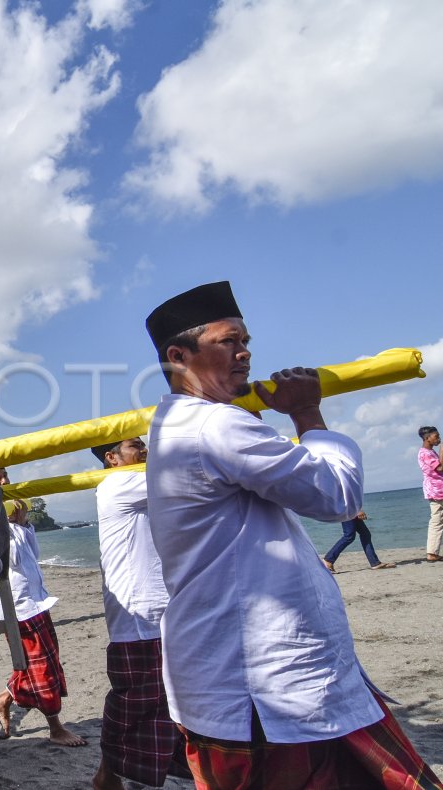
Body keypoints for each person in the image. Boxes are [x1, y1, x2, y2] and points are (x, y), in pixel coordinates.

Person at [144, 281, 439, 788]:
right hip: (268, 684)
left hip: (229, 676)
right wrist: (307, 413)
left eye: (246, 340)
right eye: (229, 341)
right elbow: (335, 498)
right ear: (179, 356)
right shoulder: (216, 427)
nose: (245, 353)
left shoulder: (175, 425)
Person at [90, 439, 188, 790]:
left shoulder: (136, 481)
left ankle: (109, 777)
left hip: (158, 613)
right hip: (141, 618)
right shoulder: (120, 483)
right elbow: (188, 474)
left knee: (158, 704)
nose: (146, 449)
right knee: (138, 705)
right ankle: (109, 778)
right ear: (111, 458)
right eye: (136, 445)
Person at [0, 468, 86, 747]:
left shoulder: (7, 518)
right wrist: (10, 522)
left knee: (40, 662)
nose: (5, 482)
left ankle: (2, 699)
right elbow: (10, 559)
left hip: (35, 600)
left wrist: (23, 522)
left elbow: (32, 553)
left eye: (6, 476)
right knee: (41, 668)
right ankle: (55, 728)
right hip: (16, 605)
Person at [322, 510, 395, 572]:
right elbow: (346, 496)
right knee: (349, 536)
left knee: (365, 534)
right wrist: (357, 510)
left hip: (349, 509)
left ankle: (375, 563)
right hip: (347, 510)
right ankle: (328, 560)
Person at [419, 426, 443, 562]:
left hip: (439, 489)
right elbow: (440, 467)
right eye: (436, 436)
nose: (438, 438)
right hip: (436, 490)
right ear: (427, 438)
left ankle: (433, 552)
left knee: (438, 521)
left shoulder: (431, 452)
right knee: (437, 521)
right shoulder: (425, 453)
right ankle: (432, 553)